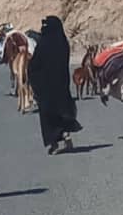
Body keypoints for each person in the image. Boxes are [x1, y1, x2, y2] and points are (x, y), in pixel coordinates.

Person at [28, 15, 83, 154]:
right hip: (61, 83)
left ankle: (53, 142)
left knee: (48, 115)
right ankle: (65, 134)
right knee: (62, 110)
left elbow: (34, 64)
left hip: (45, 87)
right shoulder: (63, 42)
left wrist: (33, 80)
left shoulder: (44, 43)